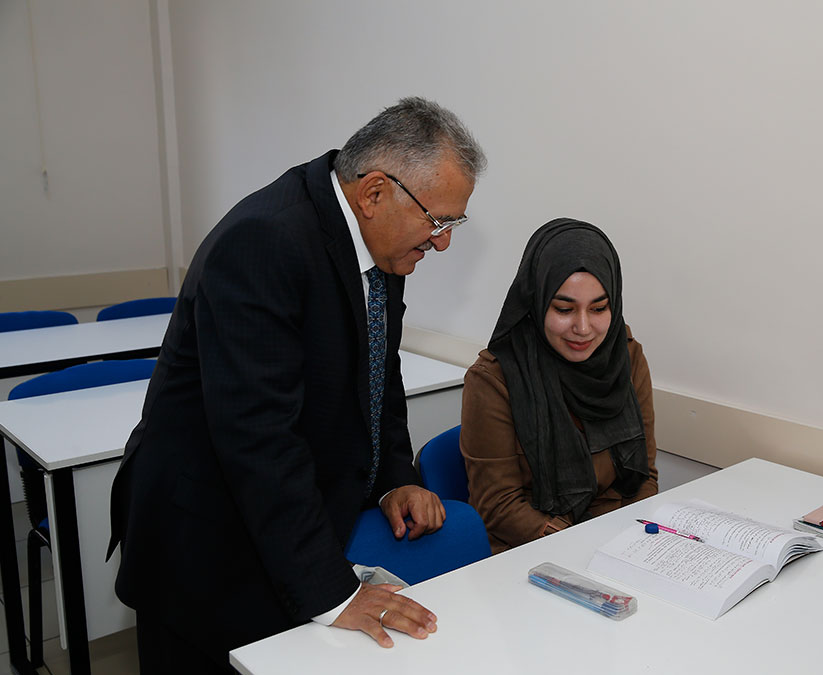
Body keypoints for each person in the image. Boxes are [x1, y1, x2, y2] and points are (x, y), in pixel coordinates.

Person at [107, 97, 486, 673]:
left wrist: (394, 478)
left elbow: (377, 373)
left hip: (280, 528)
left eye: (452, 224)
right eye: (438, 222)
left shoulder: (380, 243)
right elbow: (258, 439)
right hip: (205, 540)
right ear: (375, 193)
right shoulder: (264, 241)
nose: (443, 242)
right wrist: (334, 594)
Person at [461, 218, 658, 553]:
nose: (583, 327)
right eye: (564, 309)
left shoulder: (626, 356)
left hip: (616, 540)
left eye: (599, 308)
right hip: (529, 549)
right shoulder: (494, 379)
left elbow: (644, 478)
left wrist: (631, 543)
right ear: (536, 302)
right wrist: (583, 547)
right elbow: (497, 506)